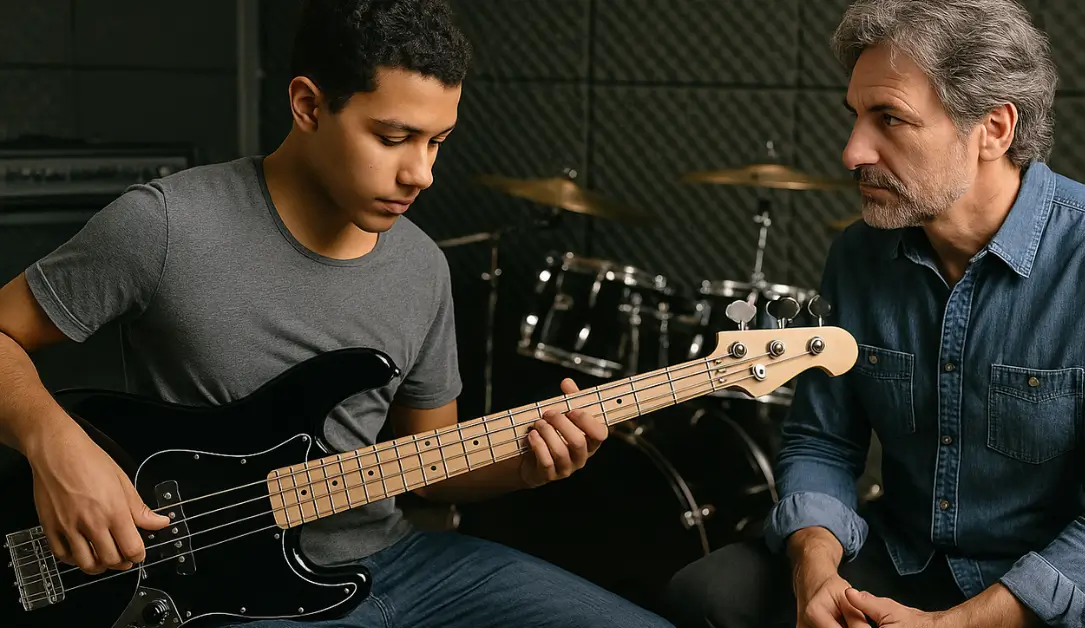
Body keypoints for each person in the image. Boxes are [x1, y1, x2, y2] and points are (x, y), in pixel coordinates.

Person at [0, 1, 672, 626]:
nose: (422, 174)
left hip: (400, 562)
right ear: (308, 106)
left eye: (437, 141)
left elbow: (430, 469)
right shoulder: (168, 225)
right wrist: (55, 446)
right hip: (220, 586)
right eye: (393, 137)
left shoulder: (421, 268)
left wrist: (526, 465)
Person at [665, 1, 1085, 627]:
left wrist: (955, 626)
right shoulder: (858, 254)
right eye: (856, 117)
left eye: (889, 118)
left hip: (1063, 574)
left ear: (994, 129)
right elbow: (822, 440)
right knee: (701, 596)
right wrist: (817, 574)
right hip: (907, 554)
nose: (852, 151)